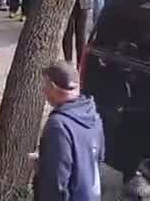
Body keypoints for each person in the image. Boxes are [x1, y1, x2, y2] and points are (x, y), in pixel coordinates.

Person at [35, 61, 104, 201]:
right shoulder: (93, 117)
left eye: (45, 85)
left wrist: (43, 166)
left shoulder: (58, 126)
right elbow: (98, 157)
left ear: (52, 87)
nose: (43, 90)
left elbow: (55, 182)